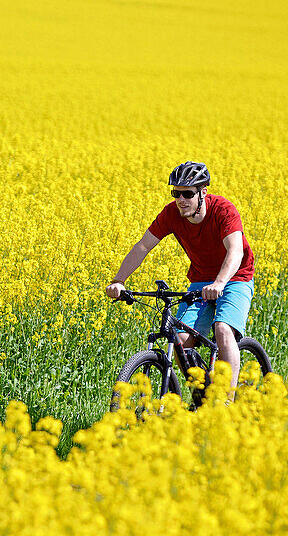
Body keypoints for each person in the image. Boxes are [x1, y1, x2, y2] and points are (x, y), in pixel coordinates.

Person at [106, 161, 255, 391]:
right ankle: (203, 394)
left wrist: (220, 282)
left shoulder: (223, 210)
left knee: (223, 329)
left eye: (187, 193)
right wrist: (119, 281)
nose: (181, 200)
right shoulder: (172, 214)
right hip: (201, 279)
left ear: (203, 192)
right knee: (180, 341)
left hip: (236, 277)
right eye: (176, 193)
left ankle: (227, 404)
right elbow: (143, 247)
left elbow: (235, 250)